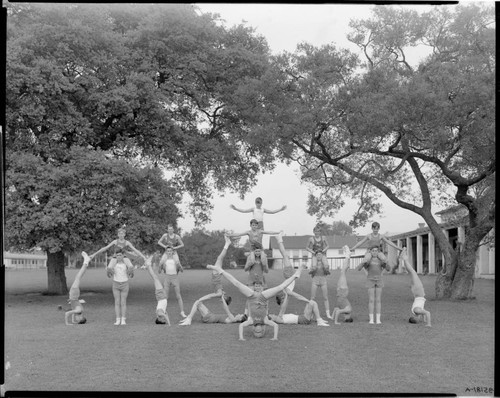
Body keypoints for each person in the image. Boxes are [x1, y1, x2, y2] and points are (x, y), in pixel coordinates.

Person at [206, 262, 305, 341]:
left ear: (254, 329)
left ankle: (219, 270)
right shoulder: (265, 320)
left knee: (236, 283)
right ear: (262, 329)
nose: (258, 330)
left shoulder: (251, 321)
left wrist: (241, 337)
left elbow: (241, 326)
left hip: (252, 296)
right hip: (262, 297)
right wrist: (275, 337)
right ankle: (296, 274)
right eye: (259, 332)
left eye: (256, 332)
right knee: (281, 287)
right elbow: (275, 326)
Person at [356, 245, 391, 324]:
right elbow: (358, 268)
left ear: (378, 252)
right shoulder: (368, 260)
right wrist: (363, 262)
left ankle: (378, 319)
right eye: (373, 251)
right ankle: (371, 319)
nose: (374, 252)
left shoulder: (381, 260)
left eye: (376, 251)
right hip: (370, 280)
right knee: (371, 300)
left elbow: (388, 269)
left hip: (379, 281)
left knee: (378, 300)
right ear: (370, 252)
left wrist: (386, 262)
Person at [400, 248, 432, 327]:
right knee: (411, 272)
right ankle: (404, 259)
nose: (419, 320)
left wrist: (428, 324)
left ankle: (404, 258)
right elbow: (423, 312)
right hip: (417, 293)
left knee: (412, 271)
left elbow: (427, 313)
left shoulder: (416, 310)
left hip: (418, 292)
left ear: (415, 318)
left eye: (418, 320)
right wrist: (424, 320)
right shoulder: (417, 312)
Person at [107, 249, 135, 325]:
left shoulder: (126, 264)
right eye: (117, 255)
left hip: (124, 284)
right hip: (116, 284)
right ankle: (117, 319)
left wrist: (131, 271)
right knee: (117, 302)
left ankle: (123, 319)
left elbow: (131, 275)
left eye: (120, 255)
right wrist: (109, 270)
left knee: (123, 302)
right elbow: (109, 274)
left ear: (123, 256)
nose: (118, 257)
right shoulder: (113, 264)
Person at [159, 245, 186, 318]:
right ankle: (163, 312)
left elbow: (182, 271)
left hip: (175, 278)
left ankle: (182, 312)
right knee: (165, 297)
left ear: (173, 252)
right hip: (167, 278)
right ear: (166, 252)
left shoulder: (176, 260)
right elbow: (159, 271)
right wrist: (160, 266)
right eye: (168, 251)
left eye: (170, 251)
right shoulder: (164, 261)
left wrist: (179, 266)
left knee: (178, 296)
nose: (169, 252)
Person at [65, 252, 90, 325]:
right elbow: (67, 313)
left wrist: (73, 321)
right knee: (78, 276)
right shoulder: (78, 310)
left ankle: (86, 262)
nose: (76, 319)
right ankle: (86, 261)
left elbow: (73, 311)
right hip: (74, 294)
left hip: (74, 295)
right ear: (81, 318)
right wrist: (67, 323)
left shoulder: (79, 311)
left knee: (79, 276)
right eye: (77, 319)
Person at [144, 256, 171, 325]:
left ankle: (148, 264)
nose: (164, 319)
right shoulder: (160, 314)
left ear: (159, 319)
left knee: (155, 277)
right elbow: (166, 314)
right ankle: (148, 265)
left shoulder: (159, 313)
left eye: (163, 320)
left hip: (160, 295)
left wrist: (169, 324)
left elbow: (165, 316)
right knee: (155, 277)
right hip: (162, 296)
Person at [332, 245, 353, 324]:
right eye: (345, 318)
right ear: (349, 317)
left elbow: (335, 310)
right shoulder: (348, 310)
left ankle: (348, 256)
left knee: (344, 270)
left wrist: (332, 317)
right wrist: (336, 322)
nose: (344, 317)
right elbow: (338, 312)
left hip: (339, 292)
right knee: (343, 271)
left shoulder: (345, 309)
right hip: (343, 291)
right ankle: (347, 254)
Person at [309, 250, 332, 319]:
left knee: (325, 297)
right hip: (315, 280)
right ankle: (311, 314)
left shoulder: (325, 262)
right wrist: (312, 270)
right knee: (313, 298)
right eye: (317, 255)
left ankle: (328, 314)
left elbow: (328, 272)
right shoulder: (313, 262)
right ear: (315, 256)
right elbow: (310, 272)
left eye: (320, 255)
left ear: (322, 255)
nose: (319, 256)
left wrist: (327, 269)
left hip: (323, 280)